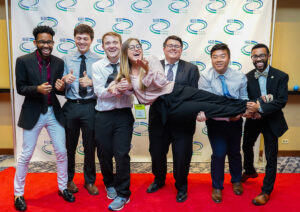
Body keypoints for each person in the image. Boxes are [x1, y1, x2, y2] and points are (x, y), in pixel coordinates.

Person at [112, 38, 258, 128]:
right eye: (131, 47)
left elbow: (161, 82)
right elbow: (140, 98)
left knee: (210, 97)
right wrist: (115, 88)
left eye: (138, 46)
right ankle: (243, 111)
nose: (136, 49)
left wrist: (147, 69)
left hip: (175, 89)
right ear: (125, 52)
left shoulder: (150, 60)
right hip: (167, 103)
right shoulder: (125, 74)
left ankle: (247, 105)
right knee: (207, 106)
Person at [14, 26, 75, 211]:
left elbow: (58, 90)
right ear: (35, 43)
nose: (46, 45)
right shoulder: (23, 61)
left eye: (49, 42)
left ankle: (63, 187)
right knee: (26, 155)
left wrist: (61, 86)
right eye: (42, 42)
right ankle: (18, 193)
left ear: (53, 43)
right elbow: (21, 88)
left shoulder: (57, 62)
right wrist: (37, 89)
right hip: (33, 112)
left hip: (53, 112)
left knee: (61, 152)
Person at [146, 35, 200, 202]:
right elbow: (146, 89)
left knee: (182, 155)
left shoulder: (191, 69)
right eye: (170, 45)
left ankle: (181, 186)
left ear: (181, 49)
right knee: (156, 153)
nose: (173, 48)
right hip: (158, 120)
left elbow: (193, 95)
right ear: (164, 48)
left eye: (177, 46)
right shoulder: (153, 67)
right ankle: (159, 180)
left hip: (182, 121)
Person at [197, 43, 247, 203]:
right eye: (215, 56)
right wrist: (229, 110)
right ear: (211, 59)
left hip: (236, 122)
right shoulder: (205, 77)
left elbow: (244, 99)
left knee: (234, 152)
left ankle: (236, 180)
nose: (218, 60)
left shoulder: (239, 76)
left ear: (229, 58)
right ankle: (217, 186)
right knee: (218, 154)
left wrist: (237, 113)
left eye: (222, 56)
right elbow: (209, 103)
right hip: (215, 124)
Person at [241, 43, 289, 206]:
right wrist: (251, 110)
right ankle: (249, 170)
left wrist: (260, 107)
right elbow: (245, 98)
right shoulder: (246, 77)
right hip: (253, 120)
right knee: (246, 146)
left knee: (270, 157)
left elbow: (281, 101)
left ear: (268, 56)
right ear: (252, 58)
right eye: (255, 56)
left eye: (262, 55)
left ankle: (266, 191)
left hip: (272, 121)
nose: (258, 59)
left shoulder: (281, 76)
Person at [92, 32, 134, 211]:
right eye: (107, 43)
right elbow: (99, 91)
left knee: (122, 154)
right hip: (103, 115)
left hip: (124, 115)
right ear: (102, 46)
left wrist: (129, 87)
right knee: (104, 154)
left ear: (121, 44)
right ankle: (109, 183)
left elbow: (137, 91)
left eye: (115, 42)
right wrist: (114, 88)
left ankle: (124, 193)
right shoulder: (97, 66)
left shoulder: (130, 64)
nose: (111, 46)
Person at [59, 24, 100, 195]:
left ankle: (89, 181)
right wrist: (64, 80)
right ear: (74, 38)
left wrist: (92, 83)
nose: (82, 41)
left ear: (91, 40)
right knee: (69, 146)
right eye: (79, 38)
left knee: (90, 146)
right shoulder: (66, 59)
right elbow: (59, 87)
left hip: (90, 106)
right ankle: (68, 180)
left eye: (85, 38)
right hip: (71, 106)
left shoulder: (99, 60)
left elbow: (105, 86)